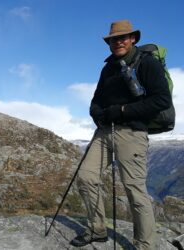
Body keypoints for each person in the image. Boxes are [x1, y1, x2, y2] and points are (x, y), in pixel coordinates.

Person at [70, 20, 172, 249]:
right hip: (104, 131)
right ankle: (97, 229)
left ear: (133, 38)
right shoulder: (108, 68)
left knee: (134, 191)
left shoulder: (147, 64)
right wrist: (98, 113)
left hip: (132, 132)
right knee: (86, 176)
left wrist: (123, 110)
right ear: (109, 43)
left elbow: (161, 100)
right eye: (114, 39)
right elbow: (96, 100)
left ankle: (145, 245)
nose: (118, 42)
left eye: (123, 37)